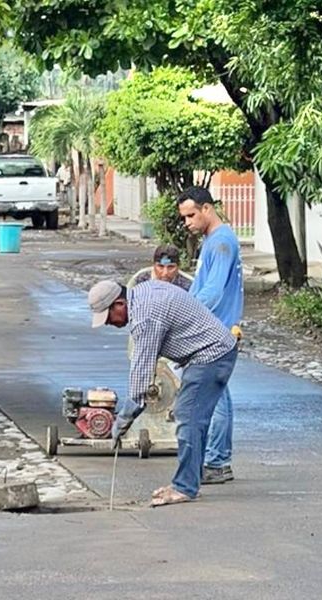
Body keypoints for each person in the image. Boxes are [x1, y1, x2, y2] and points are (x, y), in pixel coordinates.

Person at [88, 279, 238, 506]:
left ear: (119, 304)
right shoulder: (142, 294)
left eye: (108, 317)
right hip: (214, 351)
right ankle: (188, 482)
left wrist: (123, 420)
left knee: (188, 417)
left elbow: (141, 378)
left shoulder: (145, 317)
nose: (108, 323)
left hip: (210, 355)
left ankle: (185, 487)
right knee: (195, 420)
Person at [177, 186, 244, 485]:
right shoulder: (213, 241)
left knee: (215, 397)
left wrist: (183, 313)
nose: (187, 222)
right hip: (213, 329)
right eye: (184, 217)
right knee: (217, 394)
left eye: (191, 215)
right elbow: (201, 287)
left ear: (207, 209)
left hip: (215, 331)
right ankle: (216, 459)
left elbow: (213, 291)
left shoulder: (221, 243)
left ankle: (217, 461)